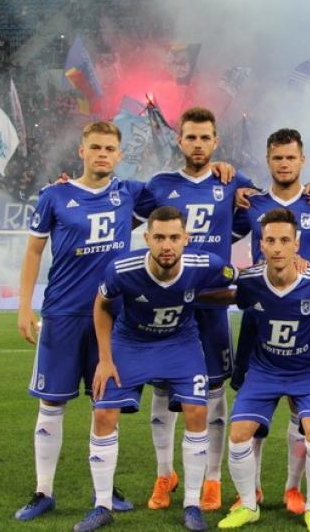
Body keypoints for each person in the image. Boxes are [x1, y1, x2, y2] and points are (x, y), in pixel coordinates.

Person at [73, 206, 236, 532]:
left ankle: (192, 504)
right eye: (159, 237)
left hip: (180, 343)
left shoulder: (207, 264)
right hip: (131, 343)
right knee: (103, 413)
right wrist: (105, 359)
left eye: (174, 237)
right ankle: (102, 505)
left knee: (196, 410)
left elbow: (244, 281)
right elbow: (101, 304)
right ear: (147, 238)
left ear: (186, 238)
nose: (167, 245)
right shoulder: (122, 269)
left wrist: (295, 265)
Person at [14, 121, 140, 521]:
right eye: (96, 147)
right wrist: (24, 306)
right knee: (51, 403)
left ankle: (104, 490)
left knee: (106, 405)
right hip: (62, 314)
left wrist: (224, 171)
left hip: (112, 317)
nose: (103, 154)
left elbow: (186, 191)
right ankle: (43, 491)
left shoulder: (130, 193)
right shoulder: (54, 195)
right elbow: (34, 252)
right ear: (82, 151)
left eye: (110, 148)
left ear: (119, 155)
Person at [132, 106, 255, 512]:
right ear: (179, 140)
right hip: (167, 304)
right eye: (191, 137)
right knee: (163, 389)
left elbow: (269, 208)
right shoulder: (160, 185)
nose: (198, 144)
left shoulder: (233, 181)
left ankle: (213, 478)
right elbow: (119, 213)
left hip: (212, 304)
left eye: (205, 138)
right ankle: (165, 473)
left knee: (214, 390)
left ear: (216, 141)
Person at [215, 209, 310, 532]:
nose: (276, 247)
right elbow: (228, 294)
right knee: (238, 435)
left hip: (307, 372)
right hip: (264, 371)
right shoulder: (250, 281)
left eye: (284, 240)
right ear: (260, 244)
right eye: (270, 240)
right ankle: (248, 506)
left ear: (296, 244)